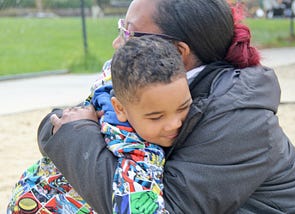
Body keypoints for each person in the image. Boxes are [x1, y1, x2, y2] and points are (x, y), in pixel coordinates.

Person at [38, 0, 295, 213]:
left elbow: (156, 207)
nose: (117, 43)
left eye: (128, 32)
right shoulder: (150, 79)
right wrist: (70, 133)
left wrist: (74, 135)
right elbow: (57, 125)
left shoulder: (240, 118)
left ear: (178, 52)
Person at [8, 36, 190, 214]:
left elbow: (108, 72)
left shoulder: (108, 91)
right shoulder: (137, 152)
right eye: (156, 117)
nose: (174, 124)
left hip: (28, 193)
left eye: (184, 106)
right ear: (119, 108)